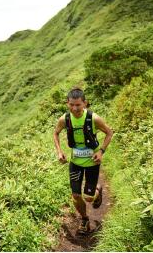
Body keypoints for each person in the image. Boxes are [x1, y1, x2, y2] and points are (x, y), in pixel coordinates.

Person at [53, 87, 113, 235]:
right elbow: (55, 133)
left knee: (88, 197)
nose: (74, 108)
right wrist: (59, 152)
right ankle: (85, 219)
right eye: (71, 105)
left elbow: (109, 133)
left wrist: (101, 151)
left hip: (92, 163)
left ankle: (97, 191)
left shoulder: (94, 118)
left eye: (78, 105)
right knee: (76, 196)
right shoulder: (64, 119)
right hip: (75, 163)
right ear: (67, 103)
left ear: (85, 103)